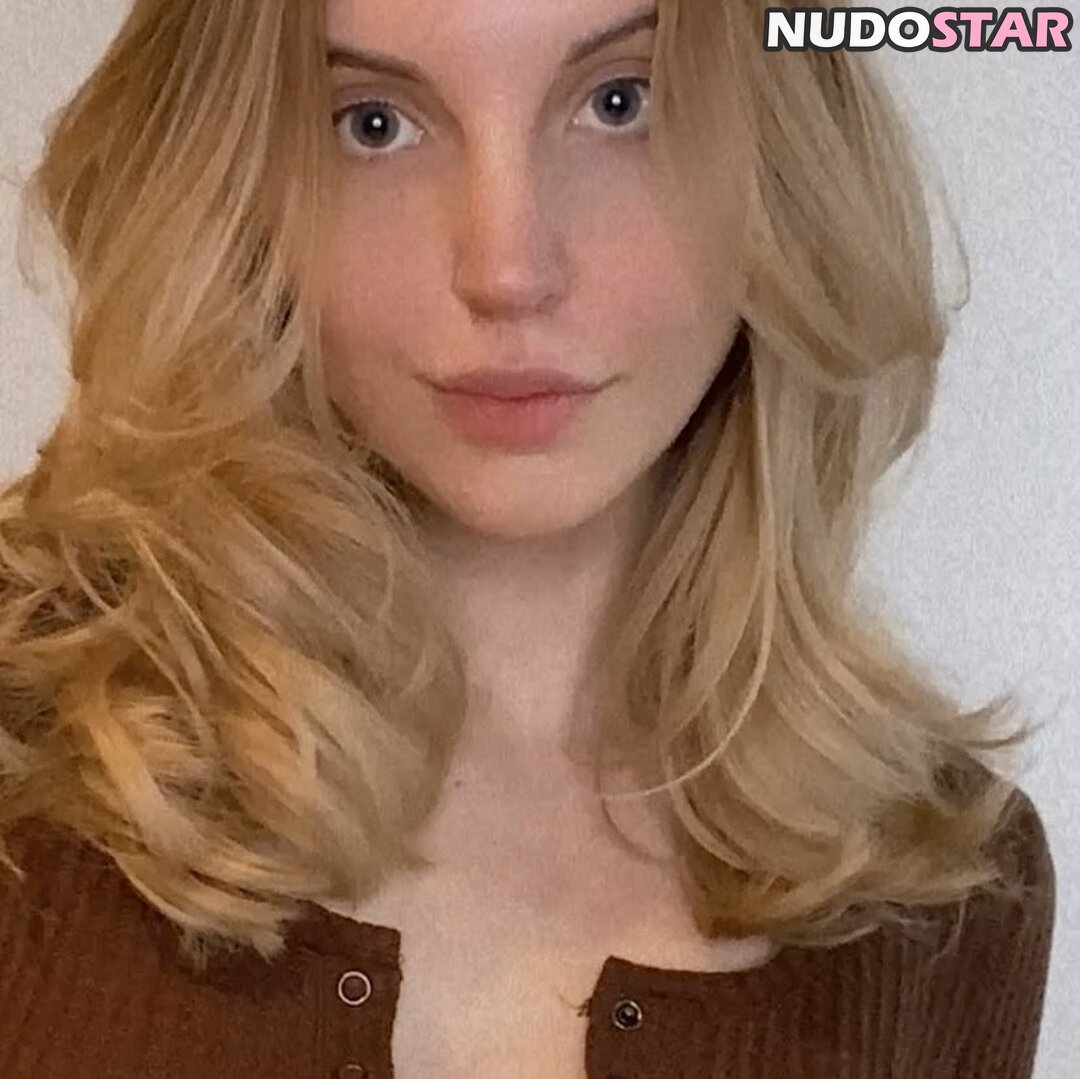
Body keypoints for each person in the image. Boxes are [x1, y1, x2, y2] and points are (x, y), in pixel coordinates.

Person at [0, 0, 1055, 1076]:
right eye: (372, 124)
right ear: (232, 179)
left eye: (623, 102)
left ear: (790, 158)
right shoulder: (24, 748)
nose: (507, 269)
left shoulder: (949, 881)